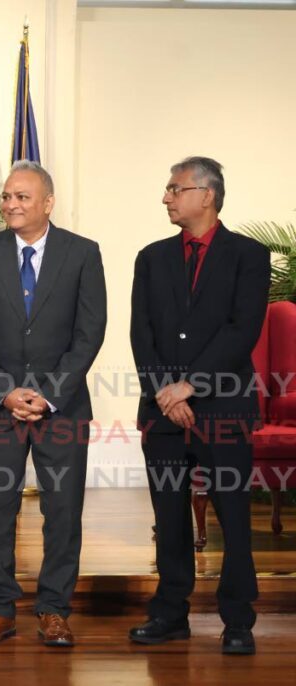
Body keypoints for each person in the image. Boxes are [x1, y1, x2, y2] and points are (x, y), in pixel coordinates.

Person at [0, 160, 107, 647]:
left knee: (63, 511)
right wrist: (6, 390)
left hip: (61, 409)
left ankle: (54, 609)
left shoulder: (83, 254)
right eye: (7, 197)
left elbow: (89, 333)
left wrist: (50, 394)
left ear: (48, 202)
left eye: (23, 197)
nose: (11, 205)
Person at [129, 157, 268, 655]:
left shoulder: (249, 256)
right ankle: (170, 614)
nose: (166, 197)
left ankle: (238, 621)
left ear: (206, 195)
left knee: (232, 516)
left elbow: (242, 329)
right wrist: (167, 393)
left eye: (175, 188)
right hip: (164, 416)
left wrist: (191, 386)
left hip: (224, 410)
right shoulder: (151, 257)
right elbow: (141, 334)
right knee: (169, 518)